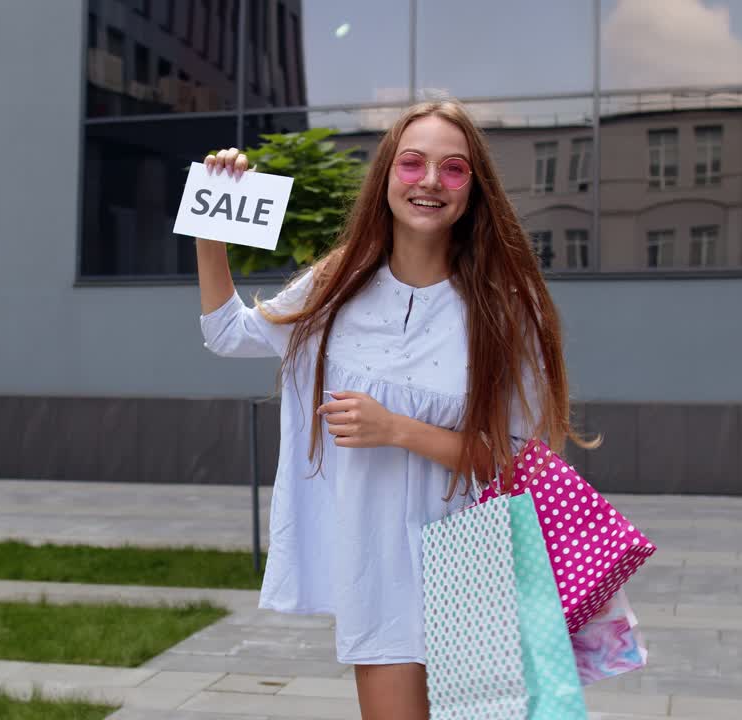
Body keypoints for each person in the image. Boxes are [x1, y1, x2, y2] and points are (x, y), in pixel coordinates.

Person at [195, 100, 582, 720]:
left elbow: (526, 464)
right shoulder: (336, 284)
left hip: (472, 560)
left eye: (453, 169)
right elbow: (227, 333)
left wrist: (398, 429)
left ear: (473, 190)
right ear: (386, 178)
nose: (430, 181)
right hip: (374, 558)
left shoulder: (507, 311)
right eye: (413, 163)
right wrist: (211, 229)